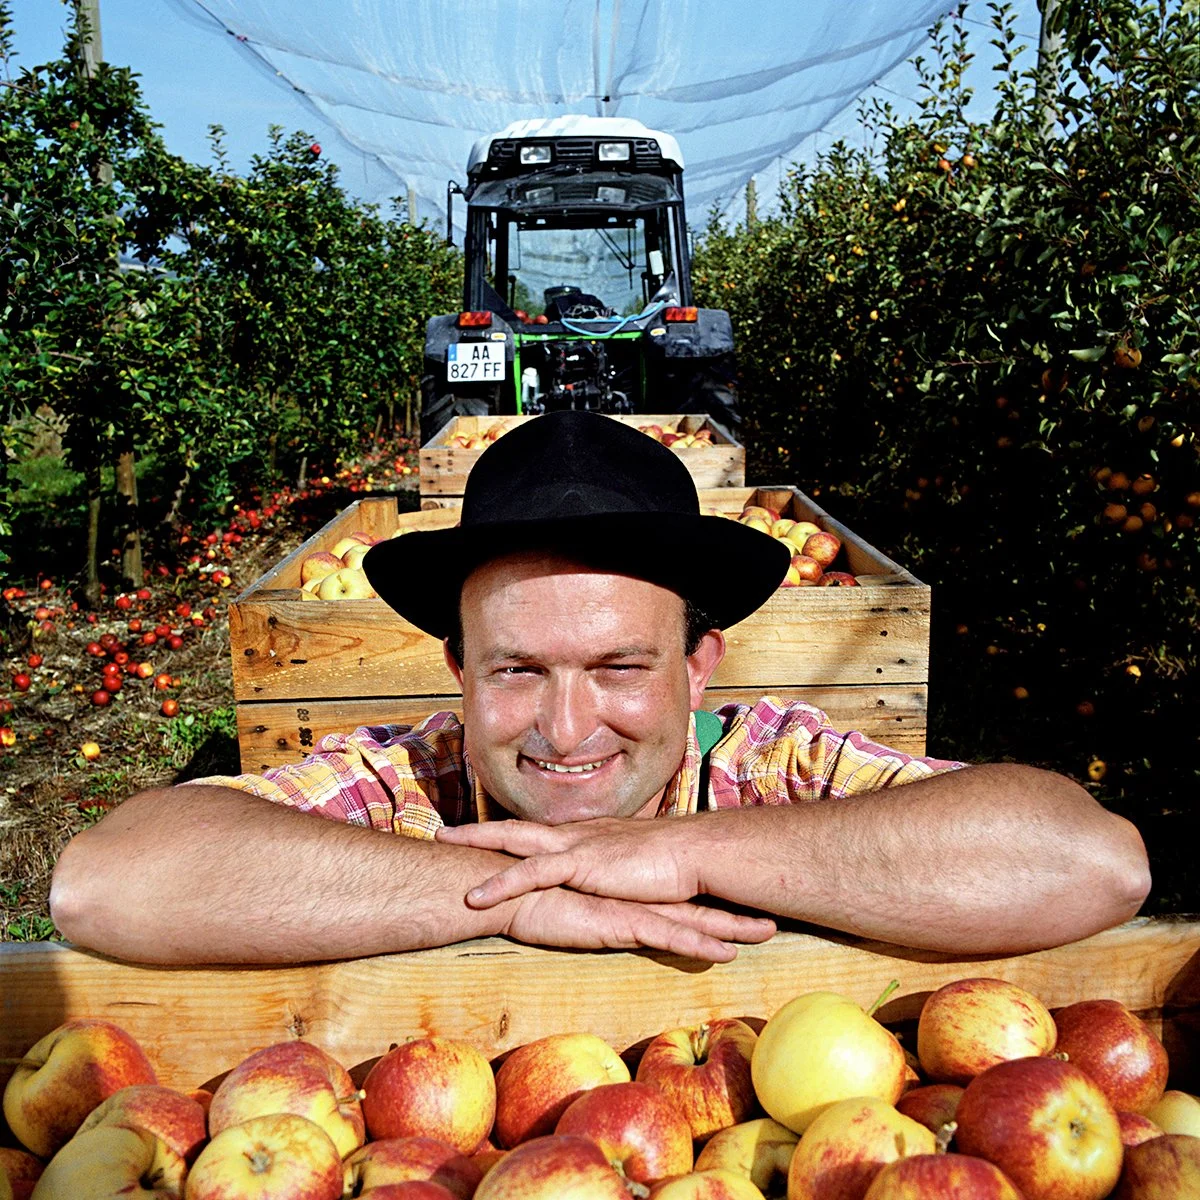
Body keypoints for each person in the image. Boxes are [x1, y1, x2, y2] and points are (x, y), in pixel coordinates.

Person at [49, 412, 1150, 966]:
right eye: (518, 671)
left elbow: (1091, 861)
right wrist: (529, 895)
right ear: (459, 675)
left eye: (620, 667)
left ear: (698, 664)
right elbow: (105, 887)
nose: (567, 731)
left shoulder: (774, 767)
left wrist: (685, 854)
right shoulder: (411, 785)